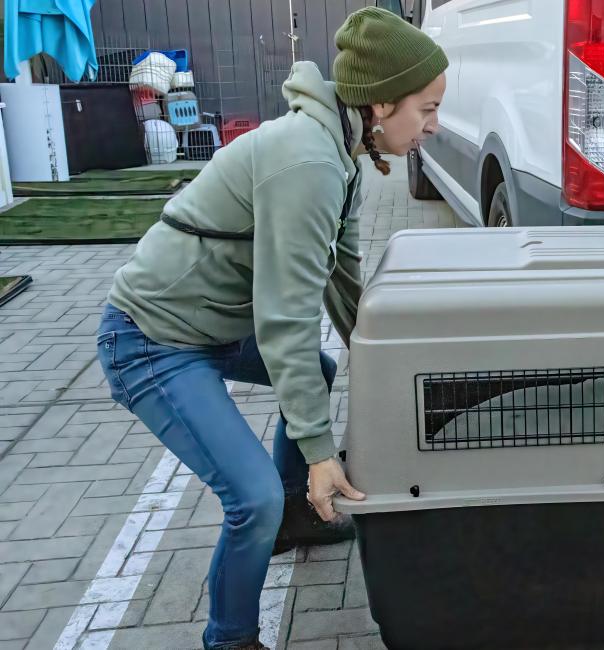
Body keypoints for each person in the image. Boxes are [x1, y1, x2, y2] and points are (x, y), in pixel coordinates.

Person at [95, 8, 447, 649]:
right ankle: (229, 637)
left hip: (211, 329)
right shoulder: (307, 162)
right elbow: (286, 319)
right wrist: (319, 453)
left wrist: (390, 363)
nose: (434, 124)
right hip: (150, 340)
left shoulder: (339, 153)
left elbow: (342, 279)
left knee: (318, 372)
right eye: (426, 108)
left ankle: (294, 517)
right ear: (381, 102)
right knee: (248, 498)